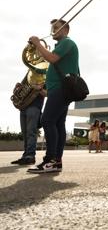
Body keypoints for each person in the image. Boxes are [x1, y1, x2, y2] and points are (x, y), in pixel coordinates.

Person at [27, 19, 79, 173]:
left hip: (60, 90)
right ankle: (56, 161)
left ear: (66, 30)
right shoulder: (61, 46)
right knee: (58, 124)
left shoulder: (67, 42)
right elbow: (52, 66)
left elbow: (51, 58)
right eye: (52, 28)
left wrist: (37, 43)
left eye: (57, 27)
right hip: (58, 90)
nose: (53, 30)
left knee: (47, 120)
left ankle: (51, 160)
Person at [11, 86, 46, 165]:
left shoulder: (42, 78)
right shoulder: (29, 77)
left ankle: (30, 156)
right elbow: (20, 93)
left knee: (31, 132)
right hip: (23, 107)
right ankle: (25, 156)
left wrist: (39, 88)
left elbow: (47, 94)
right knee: (25, 133)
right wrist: (17, 90)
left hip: (34, 106)